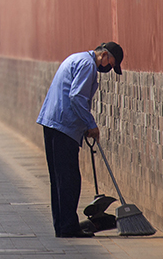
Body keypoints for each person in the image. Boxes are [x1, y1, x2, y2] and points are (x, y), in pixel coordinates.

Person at [36, 41, 124, 238]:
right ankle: (68, 227)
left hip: (52, 123)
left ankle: (62, 225)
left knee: (58, 179)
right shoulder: (88, 65)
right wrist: (90, 124)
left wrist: (83, 125)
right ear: (105, 56)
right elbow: (76, 97)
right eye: (111, 63)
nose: (108, 68)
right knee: (69, 179)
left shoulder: (75, 57)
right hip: (63, 127)